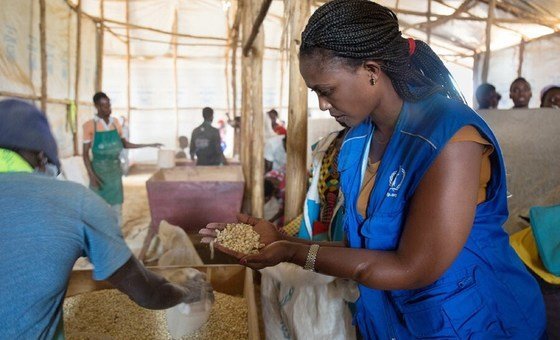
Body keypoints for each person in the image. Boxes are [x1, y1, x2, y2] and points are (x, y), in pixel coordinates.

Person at [201, 1, 546, 338]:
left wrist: (293, 253)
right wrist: (284, 240)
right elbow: (364, 248)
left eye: (327, 91)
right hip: (389, 322)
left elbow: (410, 268)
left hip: (469, 322)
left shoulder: (450, 137)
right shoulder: (358, 140)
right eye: (315, 93)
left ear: (371, 70)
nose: (322, 104)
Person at [0, 99, 213, 339]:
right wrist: (187, 291)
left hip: (111, 176)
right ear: (42, 157)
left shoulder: (112, 130)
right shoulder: (74, 201)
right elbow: (148, 293)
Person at [83, 92, 162, 225]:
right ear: (96, 106)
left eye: (109, 105)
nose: (108, 108)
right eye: (104, 106)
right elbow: (85, 154)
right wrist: (92, 177)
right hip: (98, 172)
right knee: (96, 208)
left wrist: (149, 145)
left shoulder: (115, 123)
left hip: (114, 171)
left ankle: (117, 235)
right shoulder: (89, 126)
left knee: (117, 208)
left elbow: (124, 144)